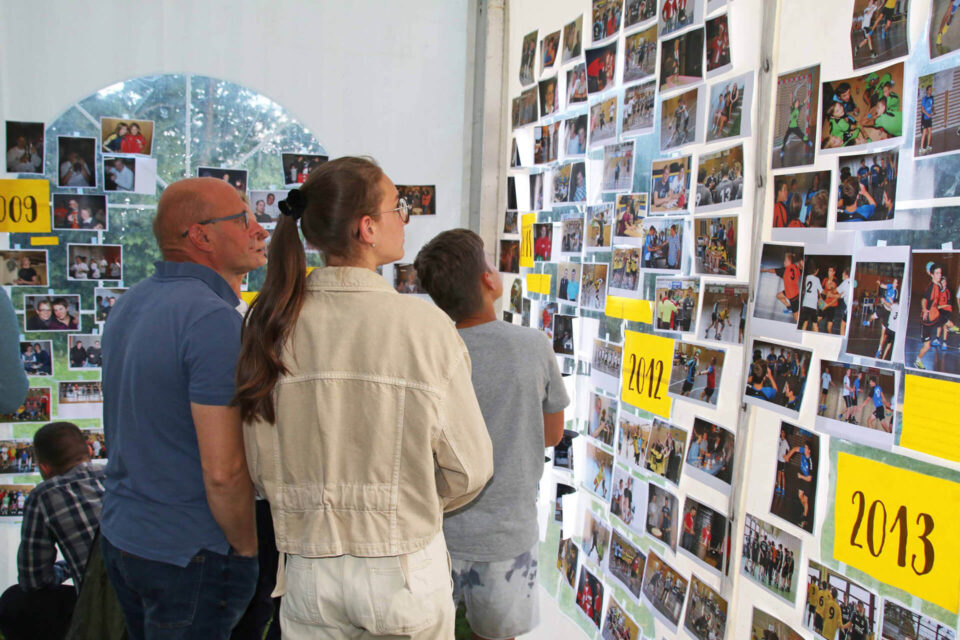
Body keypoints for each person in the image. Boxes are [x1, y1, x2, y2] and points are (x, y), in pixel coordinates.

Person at [233, 157, 493, 639]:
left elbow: (259, 469)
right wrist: (404, 499)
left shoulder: (269, 324)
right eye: (400, 206)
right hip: (403, 568)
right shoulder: (424, 328)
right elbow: (470, 466)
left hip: (308, 572)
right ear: (367, 227)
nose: (405, 217)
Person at [99, 177, 269, 638]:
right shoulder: (212, 319)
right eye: (243, 218)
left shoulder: (131, 301)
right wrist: (248, 548)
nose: (260, 229)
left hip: (127, 536)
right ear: (201, 235)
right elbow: (223, 470)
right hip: (191, 551)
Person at [415, 228, 568, 640]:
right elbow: (553, 434)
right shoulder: (532, 345)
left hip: (436, 531)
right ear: (488, 279)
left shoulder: (431, 349)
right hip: (507, 533)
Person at [0, 422, 105, 640]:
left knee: (16, 600)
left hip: (103, 608)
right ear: (88, 449)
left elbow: (34, 580)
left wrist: (68, 567)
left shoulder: (43, 495)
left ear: (44, 468)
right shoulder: (116, 475)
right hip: (150, 593)